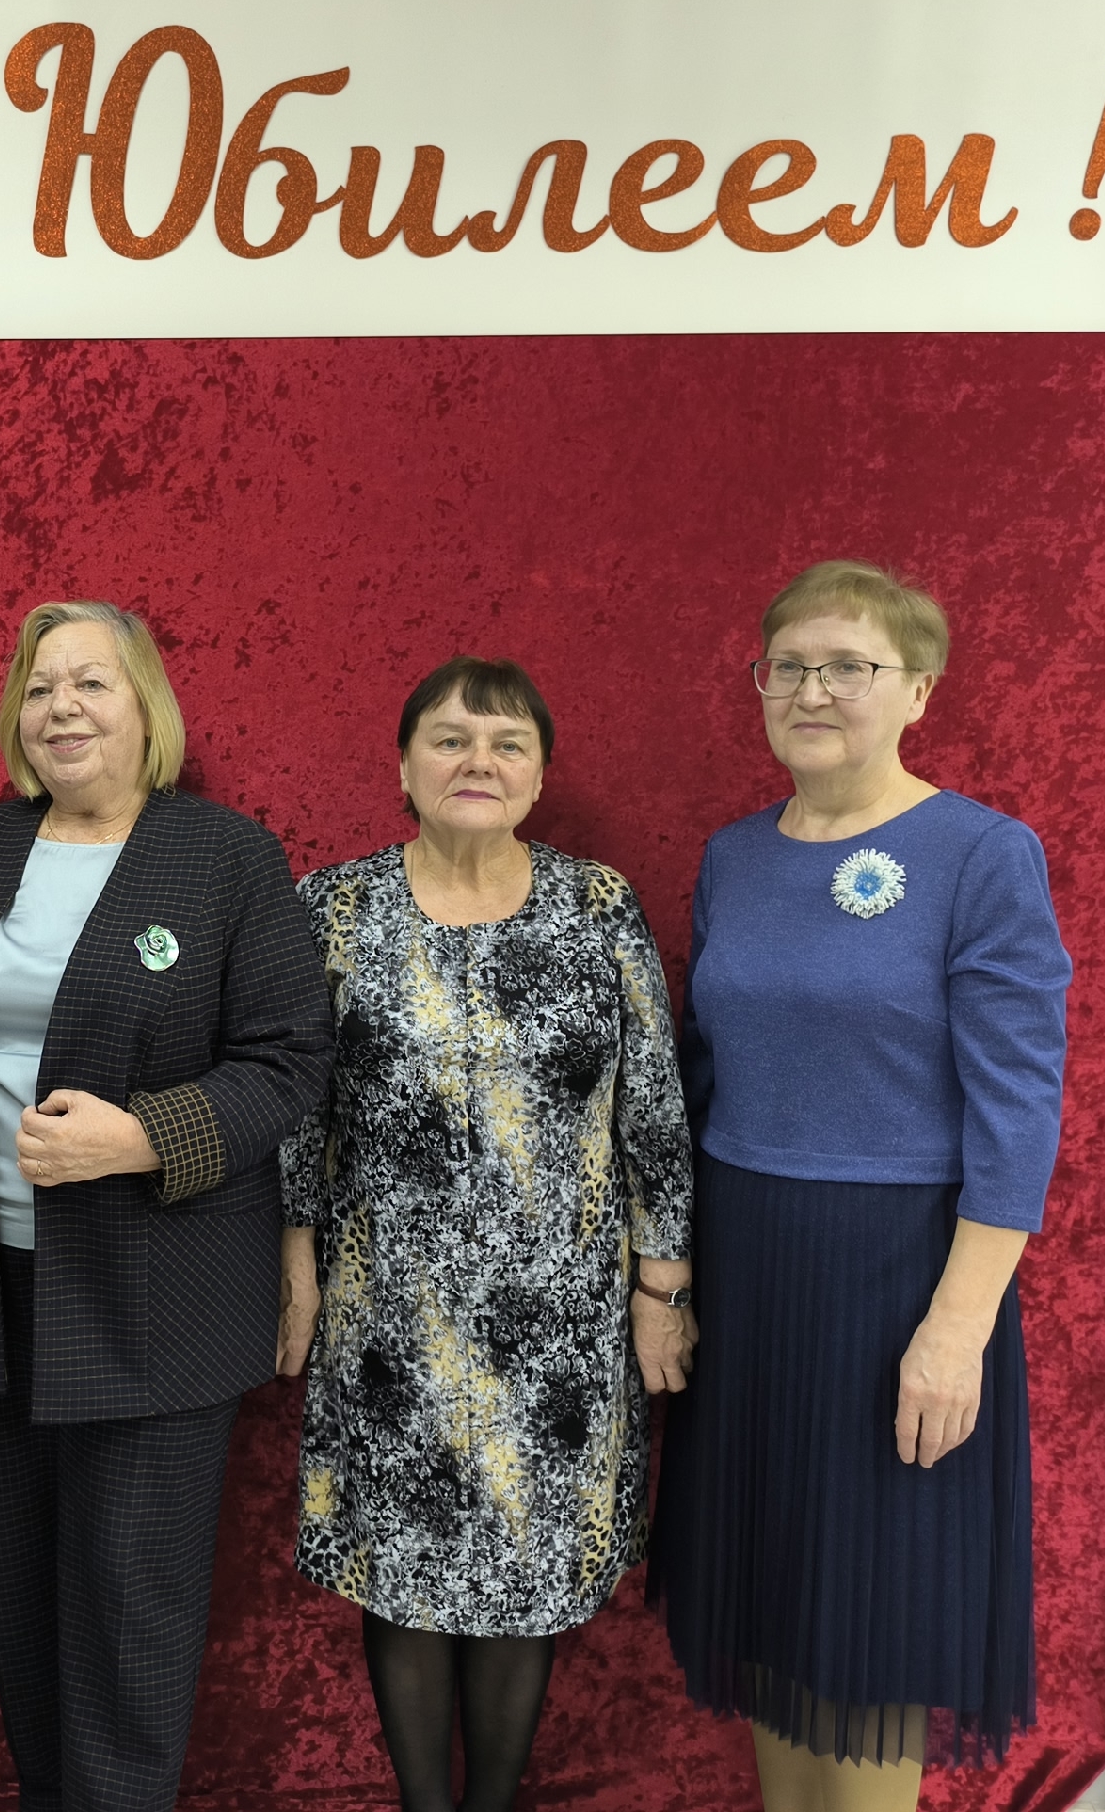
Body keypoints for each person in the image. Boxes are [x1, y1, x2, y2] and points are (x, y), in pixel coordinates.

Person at [649, 561, 1070, 1812]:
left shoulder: (981, 855)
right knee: (778, 1613)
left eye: (849, 666)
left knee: (870, 1622)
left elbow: (1017, 1113)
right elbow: (698, 1076)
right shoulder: (733, 857)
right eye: (787, 666)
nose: (812, 690)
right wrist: (671, 1279)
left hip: (898, 1284)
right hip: (750, 1274)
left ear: (918, 691)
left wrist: (956, 1328)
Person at [0, 600, 334, 1812]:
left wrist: (141, 1136)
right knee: (23, 1609)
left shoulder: (225, 858)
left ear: (145, 707)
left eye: (90, 683)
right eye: (39, 687)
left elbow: (290, 1061)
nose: (62, 708)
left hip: (156, 1302)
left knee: (126, 1629)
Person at [274, 656, 696, 1812]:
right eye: (451, 739)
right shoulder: (333, 908)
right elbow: (295, 1108)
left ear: (540, 776)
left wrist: (662, 1289)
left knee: (526, 1572)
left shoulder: (596, 907)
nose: (478, 761)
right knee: (404, 1570)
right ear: (403, 764)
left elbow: (652, 1108)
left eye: (508, 743)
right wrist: (294, 1259)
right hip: (387, 1317)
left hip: (560, 1326)